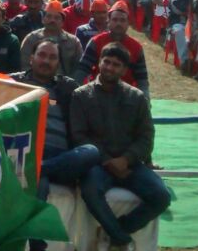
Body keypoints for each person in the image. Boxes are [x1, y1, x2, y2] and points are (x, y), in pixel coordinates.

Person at [70, 44, 170, 248]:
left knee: (161, 196)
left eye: (116, 65)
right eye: (106, 62)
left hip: (130, 165)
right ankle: (122, 240)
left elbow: (146, 136)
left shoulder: (136, 97)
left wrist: (126, 160)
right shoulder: (81, 95)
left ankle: (117, 231)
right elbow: (78, 136)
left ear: (124, 70)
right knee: (90, 191)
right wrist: (107, 161)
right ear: (98, 63)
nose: (109, 67)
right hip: (98, 164)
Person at [10, 40, 99, 251]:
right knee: (38, 181)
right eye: (42, 55)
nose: (46, 61)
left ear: (58, 63)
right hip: (27, 152)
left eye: (52, 57)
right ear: (31, 58)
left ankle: (40, 168)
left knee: (91, 152)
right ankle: (37, 245)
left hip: (61, 159)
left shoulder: (67, 87)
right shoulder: (13, 82)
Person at [74, 5, 150, 95]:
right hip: (97, 93)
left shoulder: (136, 48)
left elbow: (142, 79)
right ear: (108, 22)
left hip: (126, 96)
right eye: (115, 20)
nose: (118, 23)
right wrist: (76, 93)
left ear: (128, 23)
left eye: (122, 20)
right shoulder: (96, 42)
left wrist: (145, 100)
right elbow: (82, 70)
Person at [19, 0, 84, 78]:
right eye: (49, 16)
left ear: (63, 22)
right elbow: (24, 66)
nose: (52, 20)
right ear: (43, 19)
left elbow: (79, 69)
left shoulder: (74, 42)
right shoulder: (31, 39)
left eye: (57, 18)